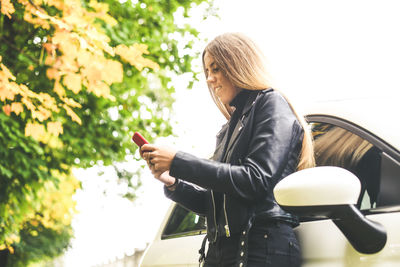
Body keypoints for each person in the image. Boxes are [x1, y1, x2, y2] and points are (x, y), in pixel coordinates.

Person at [141, 32, 315, 267]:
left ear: (238, 64)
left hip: (261, 249)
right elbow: (215, 204)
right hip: (224, 252)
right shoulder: (228, 128)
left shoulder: (271, 103)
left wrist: (178, 161)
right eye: (207, 72)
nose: (210, 79)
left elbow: (255, 180)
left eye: (216, 69)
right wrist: (173, 182)